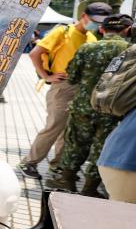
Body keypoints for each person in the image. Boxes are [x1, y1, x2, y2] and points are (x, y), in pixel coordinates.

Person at [46, 13, 133, 197]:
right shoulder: (129, 50)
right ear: (128, 30)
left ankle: (67, 182)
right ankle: (90, 188)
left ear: (102, 29)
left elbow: (73, 76)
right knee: (101, 147)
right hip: (112, 111)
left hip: (83, 106)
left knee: (75, 144)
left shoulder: (87, 48)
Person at [18, 3, 107, 178]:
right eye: (94, 20)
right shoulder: (63, 32)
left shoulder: (91, 38)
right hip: (63, 86)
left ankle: (57, 165)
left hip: (82, 88)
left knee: (68, 130)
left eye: (100, 22)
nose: (96, 25)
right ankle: (29, 162)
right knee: (54, 126)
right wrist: (46, 76)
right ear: (83, 16)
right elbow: (34, 53)